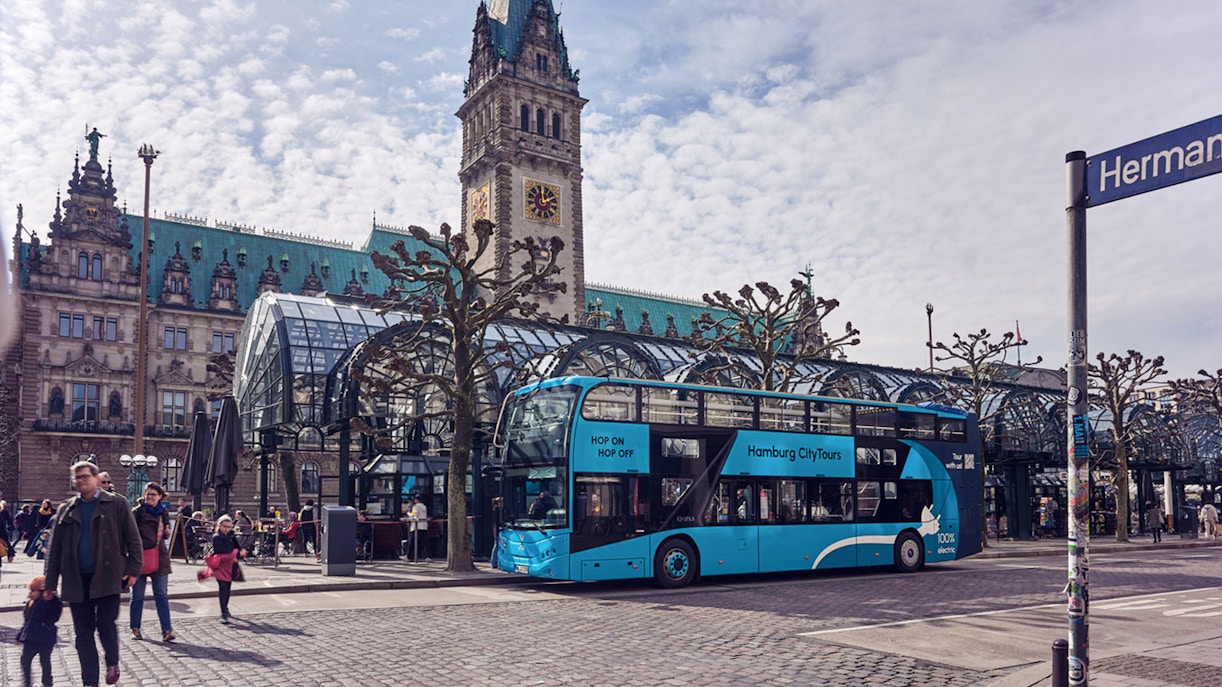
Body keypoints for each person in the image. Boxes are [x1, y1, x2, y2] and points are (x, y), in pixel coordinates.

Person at [44, 460, 143, 687]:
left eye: (85, 476)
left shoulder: (116, 503)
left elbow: (133, 539)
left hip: (108, 575)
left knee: (106, 624)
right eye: (76, 477)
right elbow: (55, 548)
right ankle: (89, 681)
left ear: (96, 479)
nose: (80, 481)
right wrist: (49, 583)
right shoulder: (66, 508)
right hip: (76, 578)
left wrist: (133, 570)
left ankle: (112, 662)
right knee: (83, 632)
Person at [129, 482, 175, 643]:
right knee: (137, 596)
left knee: (161, 595)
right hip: (140, 558)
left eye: (153, 494)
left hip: (159, 557)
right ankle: (135, 628)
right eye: (147, 494)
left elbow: (165, 533)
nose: (149, 497)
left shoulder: (164, 512)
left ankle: (166, 630)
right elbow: (129, 535)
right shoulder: (137, 512)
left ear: (160, 497)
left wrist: (167, 533)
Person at [197, 515, 246, 624]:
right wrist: (237, 553)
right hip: (221, 566)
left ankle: (225, 608)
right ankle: (223, 612)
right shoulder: (217, 537)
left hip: (231, 565)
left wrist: (238, 549)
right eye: (225, 526)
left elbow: (237, 547)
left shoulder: (230, 535)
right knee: (223, 588)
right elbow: (223, 551)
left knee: (227, 588)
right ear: (219, 525)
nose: (227, 529)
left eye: (229, 526)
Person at [18, 575, 61, 687]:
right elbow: (26, 622)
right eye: (30, 590)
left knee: (45, 661)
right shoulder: (30, 604)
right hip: (30, 639)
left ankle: (47, 682)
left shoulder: (51, 604)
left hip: (45, 638)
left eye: (33, 591)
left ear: (42, 592)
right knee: (25, 660)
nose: (31, 593)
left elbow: (55, 615)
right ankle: (27, 682)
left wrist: (52, 599)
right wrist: (20, 635)